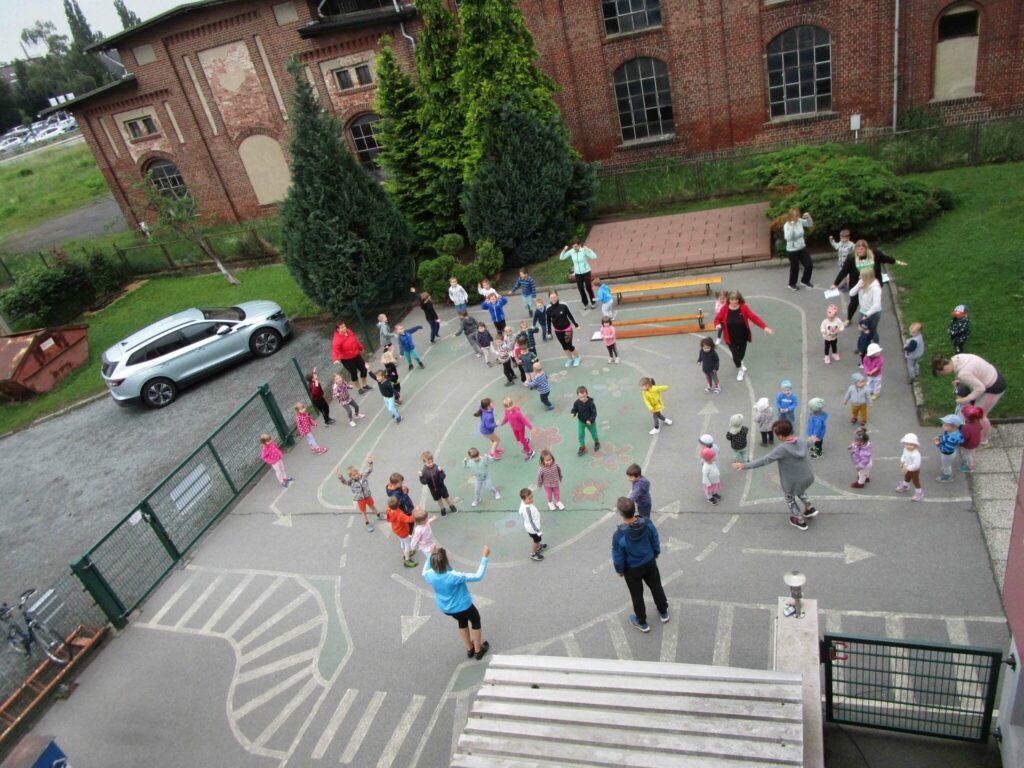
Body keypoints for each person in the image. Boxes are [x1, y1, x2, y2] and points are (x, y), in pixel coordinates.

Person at [732, 420, 819, 531]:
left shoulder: (782, 449)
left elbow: (765, 460)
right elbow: (807, 444)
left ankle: (800, 520)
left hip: (792, 481)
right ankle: (809, 508)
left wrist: (745, 465)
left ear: (781, 436)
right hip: (807, 475)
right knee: (800, 490)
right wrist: (812, 441)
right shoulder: (801, 440)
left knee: (790, 498)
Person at [611, 497, 669, 633]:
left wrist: (620, 570)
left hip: (632, 569)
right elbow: (654, 537)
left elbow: (618, 555)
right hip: (649, 562)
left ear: (620, 513)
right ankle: (663, 612)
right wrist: (656, 552)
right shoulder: (647, 523)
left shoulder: (619, 535)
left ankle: (642, 621)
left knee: (637, 595)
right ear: (634, 509)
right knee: (656, 586)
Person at [422, 545, 491, 660]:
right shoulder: (454, 576)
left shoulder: (429, 575)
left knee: (461, 621)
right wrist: (485, 557)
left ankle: (469, 649)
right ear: (446, 561)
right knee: (475, 620)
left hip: (447, 608)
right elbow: (477, 576)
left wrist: (430, 554)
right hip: (464, 606)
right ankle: (478, 650)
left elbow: (425, 569)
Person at [932, 353, 1007, 445]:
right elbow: (973, 372)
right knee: (977, 412)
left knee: (979, 415)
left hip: (994, 387)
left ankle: (983, 439)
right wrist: (961, 381)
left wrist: (966, 399)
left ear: (946, 368)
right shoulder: (957, 358)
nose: (944, 375)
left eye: (942, 374)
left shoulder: (963, 374)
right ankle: (977, 431)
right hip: (992, 374)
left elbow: (980, 388)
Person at [830, 240, 907, 323]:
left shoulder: (875, 254)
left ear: (866, 249)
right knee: (854, 302)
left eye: (862, 249)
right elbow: (844, 271)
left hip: (872, 284)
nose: (859, 251)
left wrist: (896, 261)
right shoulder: (851, 258)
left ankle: (870, 317)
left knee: (870, 302)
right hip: (858, 283)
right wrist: (835, 283)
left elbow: (885, 258)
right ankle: (849, 318)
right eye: (857, 249)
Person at [713, 290, 774, 381]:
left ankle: (740, 362)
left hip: (743, 336)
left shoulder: (744, 308)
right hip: (730, 337)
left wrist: (764, 327)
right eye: (732, 299)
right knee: (735, 355)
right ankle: (740, 369)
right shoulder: (725, 308)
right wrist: (717, 324)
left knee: (741, 354)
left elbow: (753, 317)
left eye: (736, 299)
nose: (734, 302)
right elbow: (717, 318)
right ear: (729, 299)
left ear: (739, 299)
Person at [849, 268, 882, 360]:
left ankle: (875, 348)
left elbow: (877, 305)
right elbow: (851, 293)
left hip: (873, 313)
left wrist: (867, 315)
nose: (859, 277)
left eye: (861, 276)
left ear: (867, 277)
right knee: (862, 329)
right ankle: (862, 346)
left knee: (872, 331)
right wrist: (858, 286)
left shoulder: (876, 288)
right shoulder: (861, 282)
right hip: (863, 310)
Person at [336, 458, 377, 531]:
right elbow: (344, 482)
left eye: (357, 473)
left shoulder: (363, 476)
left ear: (358, 472)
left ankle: (378, 515)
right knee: (363, 512)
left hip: (368, 496)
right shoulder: (351, 482)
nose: (356, 476)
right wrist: (340, 477)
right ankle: (367, 523)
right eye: (354, 475)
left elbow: (369, 470)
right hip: (360, 499)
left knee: (372, 506)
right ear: (351, 477)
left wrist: (370, 463)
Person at [331, 322, 372, 392]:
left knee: (364, 369)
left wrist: (360, 347)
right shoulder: (337, 339)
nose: (344, 328)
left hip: (356, 355)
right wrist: (335, 359)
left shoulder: (349, 332)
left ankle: (364, 385)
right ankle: (359, 388)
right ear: (338, 329)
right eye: (342, 327)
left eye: (344, 326)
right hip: (347, 360)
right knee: (354, 374)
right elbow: (335, 349)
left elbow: (355, 341)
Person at [545, 290, 581, 367]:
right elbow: (548, 321)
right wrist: (549, 332)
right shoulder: (548, 308)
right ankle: (570, 359)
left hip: (567, 329)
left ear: (557, 297)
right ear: (549, 298)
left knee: (569, 345)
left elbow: (570, 315)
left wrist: (576, 325)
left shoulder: (563, 305)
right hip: (557, 331)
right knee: (564, 346)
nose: (553, 299)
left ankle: (577, 357)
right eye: (551, 297)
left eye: (555, 297)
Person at [782, 208, 814, 290]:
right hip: (792, 250)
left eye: (798, 215)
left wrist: (808, 217)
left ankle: (805, 281)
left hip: (801, 247)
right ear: (791, 217)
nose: (798, 217)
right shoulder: (787, 225)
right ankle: (791, 284)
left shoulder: (799, 221)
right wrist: (792, 227)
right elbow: (787, 237)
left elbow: (809, 224)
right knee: (795, 267)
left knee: (809, 265)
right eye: (796, 216)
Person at [419, 451, 457, 516]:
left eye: (432, 462)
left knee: (446, 497)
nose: (431, 464)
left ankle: (452, 506)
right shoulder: (424, 471)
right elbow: (424, 482)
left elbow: (443, 477)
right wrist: (421, 477)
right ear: (424, 463)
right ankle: (442, 509)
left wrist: (441, 471)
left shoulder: (437, 467)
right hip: (433, 489)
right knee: (439, 500)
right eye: (428, 463)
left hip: (441, 487)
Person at [560, 241, 597, 308]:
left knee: (588, 288)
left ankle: (593, 302)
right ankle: (585, 303)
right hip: (577, 273)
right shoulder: (571, 251)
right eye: (574, 246)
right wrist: (564, 250)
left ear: (579, 245)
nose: (575, 248)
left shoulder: (583, 250)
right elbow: (561, 258)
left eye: (576, 246)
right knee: (581, 289)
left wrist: (588, 250)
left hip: (586, 272)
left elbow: (594, 257)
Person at [934, 414, 965, 483]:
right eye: (943, 424)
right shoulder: (951, 432)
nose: (943, 426)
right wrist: (940, 437)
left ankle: (948, 476)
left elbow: (946, 449)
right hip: (952, 452)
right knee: (946, 463)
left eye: (946, 425)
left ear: (953, 427)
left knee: (947, 465)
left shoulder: (951, 439)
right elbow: (945, 435)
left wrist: (938, 444)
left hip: (947, 454)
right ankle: (946, 469)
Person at [570, 386, 600, 456]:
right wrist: (573, 413)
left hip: (590, 423)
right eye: (581, 397)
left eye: (584, 396)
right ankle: (583, 447)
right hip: (581, 422)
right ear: (577, 396)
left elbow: (594, 413)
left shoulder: (591, 403)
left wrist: (590, 420)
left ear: (587, 394)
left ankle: (597, 442)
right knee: (580, 435)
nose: (583, 398)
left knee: (594, 434)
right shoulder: (577, 402)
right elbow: (574, 409)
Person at [519, 489, 547, 562]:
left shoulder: (524, 502)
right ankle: (533, 554)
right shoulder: (528, 509)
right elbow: (531, 522)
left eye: (532, 497)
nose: (532, 499)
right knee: (536, 541)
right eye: (529, 498)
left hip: (531, 528)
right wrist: (538, 531)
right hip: (533, 529)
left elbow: (522, 499)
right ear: (524, 499)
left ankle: (538, 547)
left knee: (537, 540)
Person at [895, 433, 924, 502]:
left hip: (914, 471)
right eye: (906, 444)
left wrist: (907, 468)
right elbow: (903, 456)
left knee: (915, 481)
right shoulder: (905, 449)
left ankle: (919, 492)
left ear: (915, 445)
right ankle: (905, 485)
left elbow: (916, 465)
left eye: (911, 445)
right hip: (907, 467)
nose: (908, 446)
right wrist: (902, 462)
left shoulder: (916, 454)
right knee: (907, 477)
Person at [959, 405, 983, 473]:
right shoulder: (977, 422)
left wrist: (960, 443)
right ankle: (968, 462)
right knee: (971, 453)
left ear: (967, 418)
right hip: (975, 442)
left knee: (969, 455)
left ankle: (970, 467)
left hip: (969, 444)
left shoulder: (966, 427)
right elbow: (980, 428)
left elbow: (964, 437)